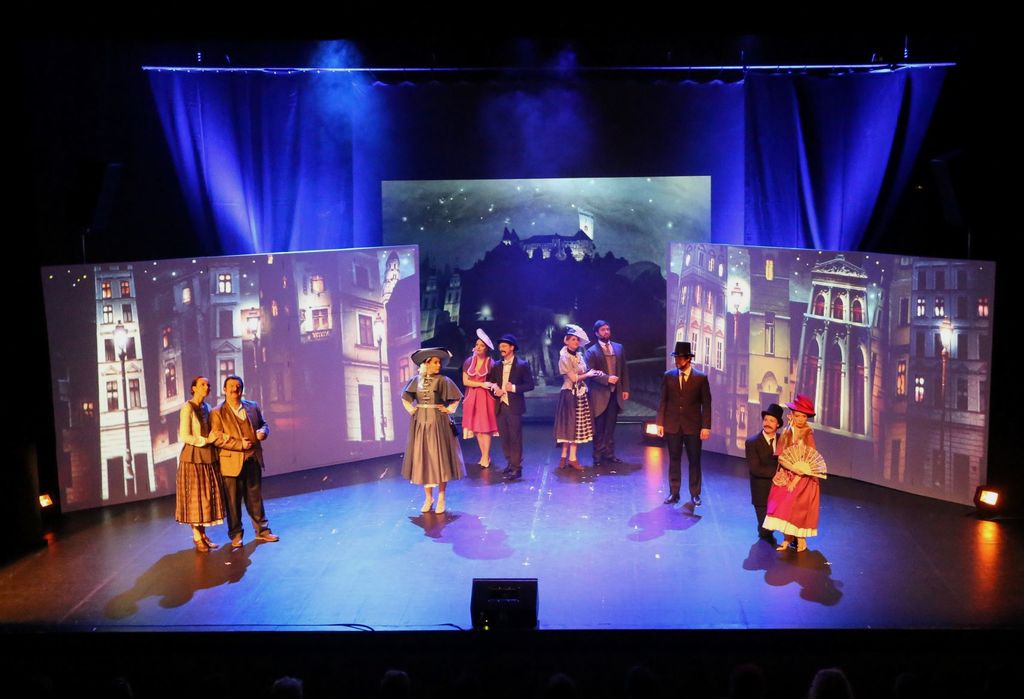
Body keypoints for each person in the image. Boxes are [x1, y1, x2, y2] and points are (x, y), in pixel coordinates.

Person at [211, 374, 279, 549]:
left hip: (252, 459)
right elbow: (217, 438)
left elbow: (264, 424)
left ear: (242, 389)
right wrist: (239, 444)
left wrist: (263, 432)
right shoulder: (217, 412)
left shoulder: (252, 406)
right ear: (224, 390)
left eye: (238, 386)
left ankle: (262, 531)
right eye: (231, 386)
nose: (235, 389)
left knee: (255, 498)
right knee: (233, 503)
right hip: (231, 464)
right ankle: (236, 535)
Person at [401, 347, 465, 514]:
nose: (438, 365)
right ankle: (428, 498)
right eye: (435, 362)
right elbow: (405, 397)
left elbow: (456, 397)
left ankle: (441, 497)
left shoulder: (443, 380)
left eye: (439, 362)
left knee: (440, 459)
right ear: (426, 363)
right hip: (421, 423)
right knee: (424, 459)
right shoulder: (416, 381)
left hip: (438, 422)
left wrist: (449, 409)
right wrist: (412, 410)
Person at [764, 394, 823, 552]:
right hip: (787, 473)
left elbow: (810, 459)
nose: (801, 419)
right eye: (798, 416)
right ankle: (786, 539)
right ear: (792, 415)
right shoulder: (786, 432)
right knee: (782, 506)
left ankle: (801, 540)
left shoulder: (808, 434)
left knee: (797, 508)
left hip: (803, 477)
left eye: (804, 416)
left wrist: (797, 478)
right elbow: (781, 456)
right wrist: (792, 468)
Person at [656, 341, 712, 506]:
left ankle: (695, 493)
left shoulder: (700, 378)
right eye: (676, 358)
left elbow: (706, 403)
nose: (677, 361)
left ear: (688, 359)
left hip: (693, 426)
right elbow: (663, 400)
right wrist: (660, 423)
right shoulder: (669, 376)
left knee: (694, 460)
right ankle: (674, 493)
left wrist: (706, 426)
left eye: (680, 358)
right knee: (674, 459)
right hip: (673, 424)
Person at [175, 376, 225, 552]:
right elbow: (185, 435)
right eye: (202, 384)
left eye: (208, 385)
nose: (206, 387)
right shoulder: (187, 407)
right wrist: (205, 440)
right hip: (193, 457)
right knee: (195, 498)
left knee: (205, 498)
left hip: (208, 456)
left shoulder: (207, 407)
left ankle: (203, 535)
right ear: (194, 388)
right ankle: (197, 536)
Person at [554, 325, 603, 470]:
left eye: (577, 340)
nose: (576, 342)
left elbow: (583, 371)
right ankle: (566, 457)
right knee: (569, 426)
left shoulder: (579, 356)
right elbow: (573, 378)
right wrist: (587, 374)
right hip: (570, 394)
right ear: (566, 341)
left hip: (580, 394)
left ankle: (569, 458)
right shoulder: (564, 357)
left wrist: (594, 372)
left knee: (576, 426)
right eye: (573, 339)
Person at [487, 334, 535, 481]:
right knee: (505, 438)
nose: (501, 348)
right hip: (500, 406)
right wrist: (495, 390)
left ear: (512, 347)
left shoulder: (522, 365)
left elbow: (530, 385)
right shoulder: (496, 365)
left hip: (514, 406)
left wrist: (513, 388)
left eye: (504, 346)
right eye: (500, 346)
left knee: (515, 438)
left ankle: (516, 468)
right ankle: (510, 462)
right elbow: (491, 383)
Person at [585, 319, 630, 466]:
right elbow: (589, 372)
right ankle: (597, 456)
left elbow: (624, 369)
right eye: (603, 330)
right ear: (597, 333)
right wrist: (607, 379)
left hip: (615, 393)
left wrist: (625, 388)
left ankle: (609, 454)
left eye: (607, 329)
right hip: (599, 393)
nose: (606, 332)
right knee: (599, 426)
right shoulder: (591, 351)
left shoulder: (618, 348)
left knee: (611, 426)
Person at [745, 403, 784, 544]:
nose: (767, 423)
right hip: (761, 492)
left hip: (779, 490)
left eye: (772, 420)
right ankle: (764, 529)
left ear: (778, 424)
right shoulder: (752, 442)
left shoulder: (783, 440)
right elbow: (755, 469)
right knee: (765, 532)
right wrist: (777, 474)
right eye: (766, 420)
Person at [461, 329, 498, 468]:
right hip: (471, 397)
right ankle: (484, 455)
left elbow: (495, 381)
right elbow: (465, 381)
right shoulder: (468, 361)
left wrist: (490, 385)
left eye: (482, 345)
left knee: (485, 428)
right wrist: (481, 384)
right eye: (477, 345)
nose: (478, 347)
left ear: (486, 348)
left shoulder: (491, 363)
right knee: (476, 428)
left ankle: (485, 456)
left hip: (485, 398)